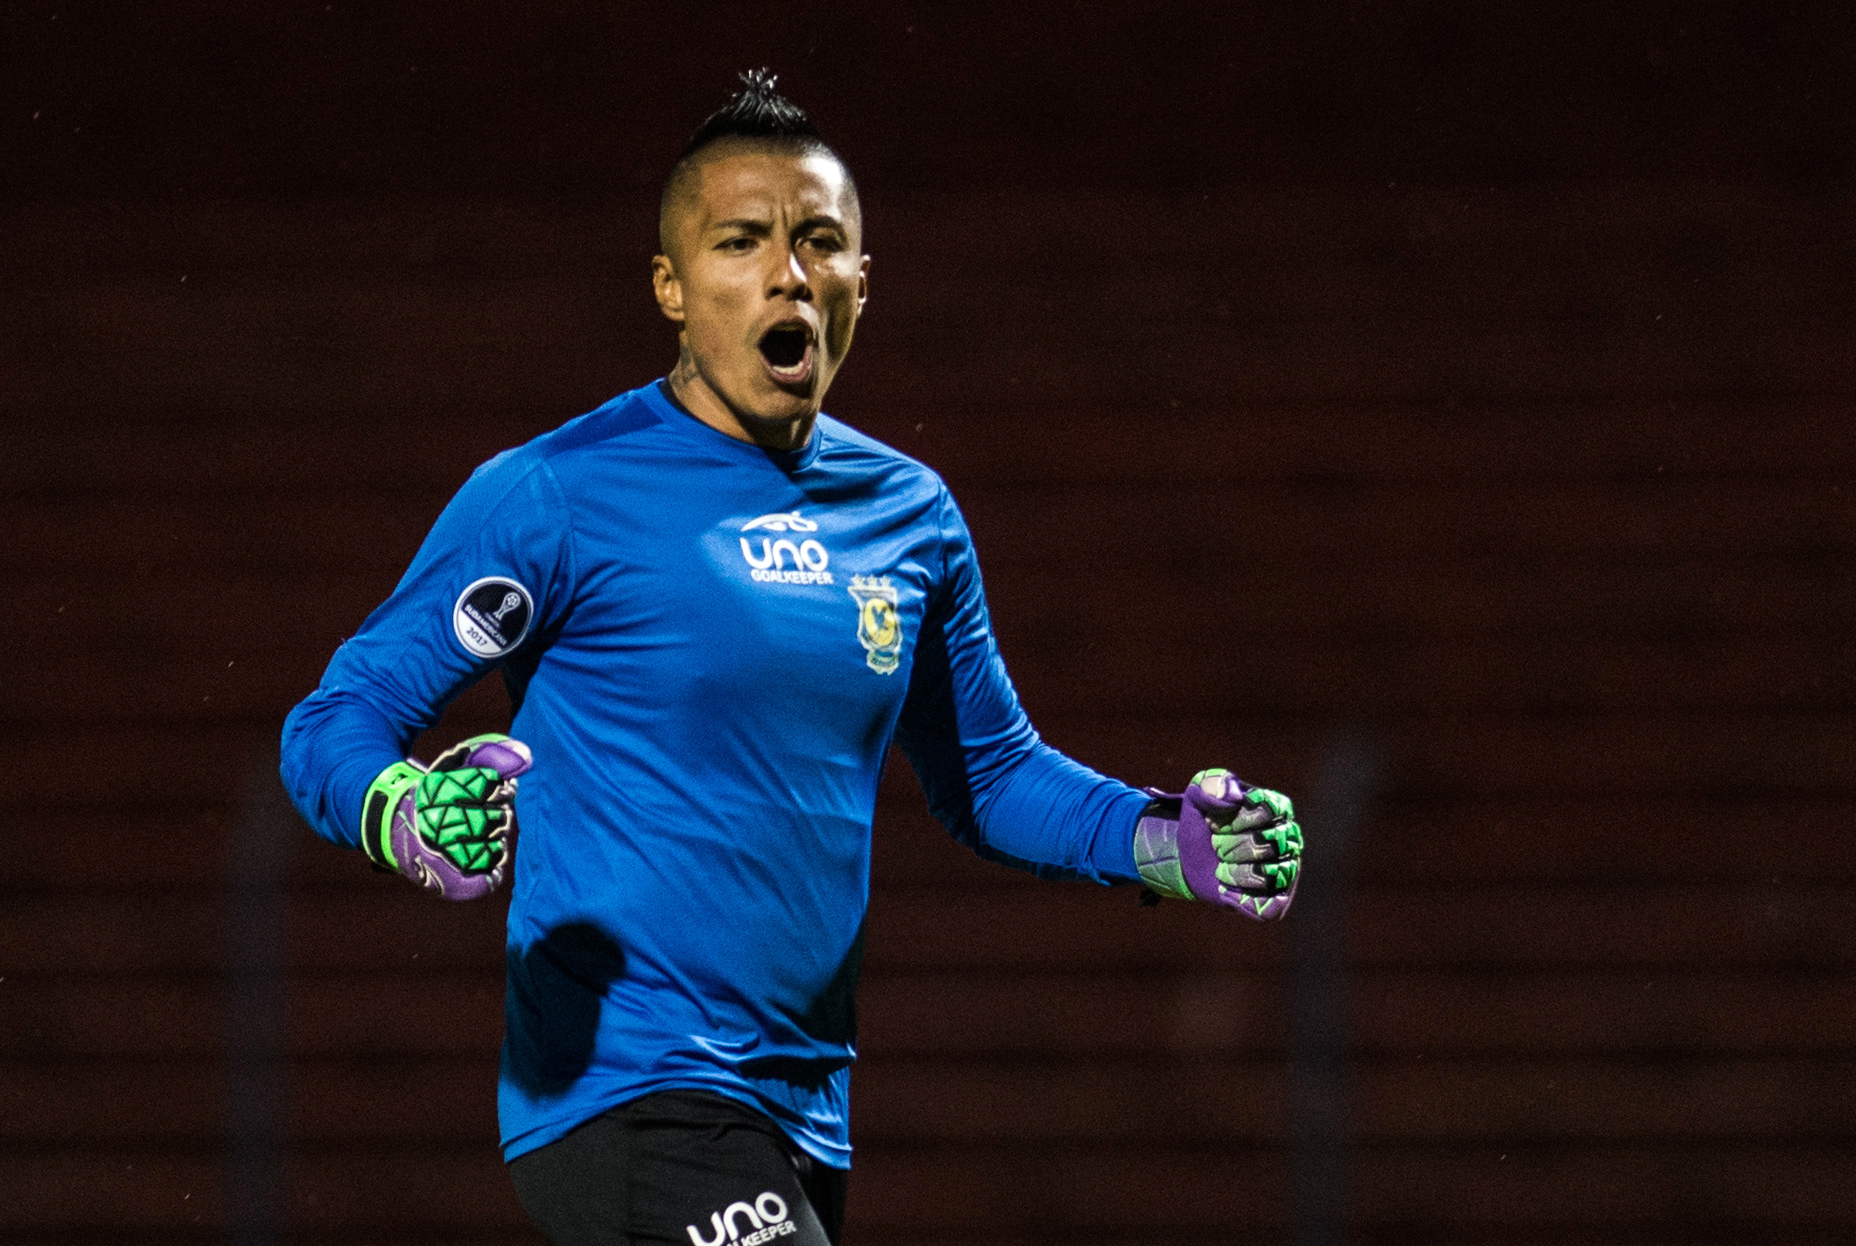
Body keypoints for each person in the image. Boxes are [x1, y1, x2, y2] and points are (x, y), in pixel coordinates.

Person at [280, 70, 1302, 1246]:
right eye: (741, 241)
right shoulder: (553, 496)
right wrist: (398, 806)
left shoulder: (908, 514)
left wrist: (1162, 842)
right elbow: (336, 717)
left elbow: (991, 774)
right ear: (670, 286)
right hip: (625, 1091)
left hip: (804, 1112)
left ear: (860, 282)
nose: (787, 274)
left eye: (820, 241)